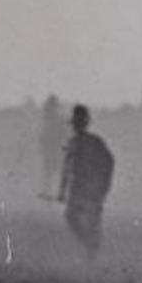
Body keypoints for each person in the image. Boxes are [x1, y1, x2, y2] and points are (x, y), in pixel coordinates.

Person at [58, 104, 114, 258]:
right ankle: (90, 247)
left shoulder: (91, 142)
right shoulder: (82, 142)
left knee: (83, 220)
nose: (76, 126)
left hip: (88, 189)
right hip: (84, 189)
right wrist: (62, 191)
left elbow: (108, 162)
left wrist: (104, 185)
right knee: (76, 218)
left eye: (77, 123)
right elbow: (67, 168)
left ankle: (91, 250)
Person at [39, 94, 65, 197]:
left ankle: (58, 193)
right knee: (50, 174)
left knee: (55, 174)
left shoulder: (56, 121)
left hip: (56, 152)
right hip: (52, 152)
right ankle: (51, 192)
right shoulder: (50, 121)